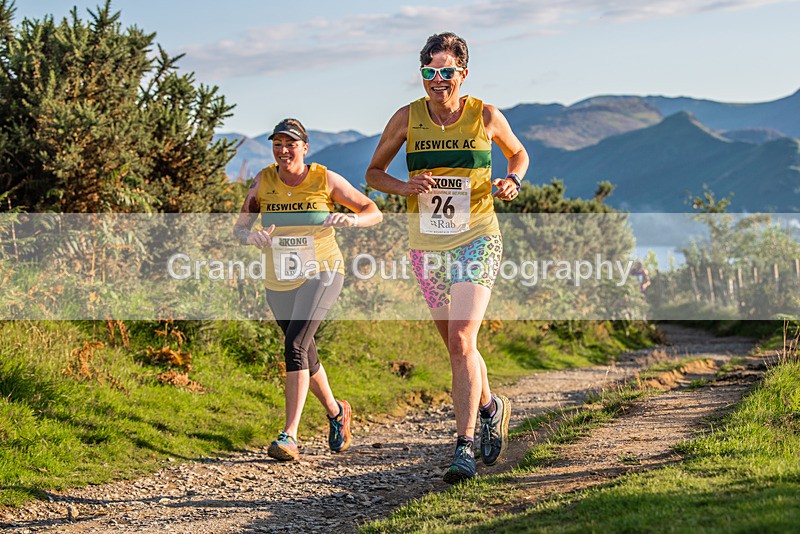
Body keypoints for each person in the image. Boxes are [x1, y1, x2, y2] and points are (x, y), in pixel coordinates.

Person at [365, 32, 529, 483]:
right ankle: (492, 406)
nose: (438, 80)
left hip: (478, 237)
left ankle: (463, 448)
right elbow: (374, 173)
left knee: (461, 340)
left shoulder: (485, 115)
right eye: (429, 72)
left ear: (463, 74)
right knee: (458, 346)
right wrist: (406, 186)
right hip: (427, 244)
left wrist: (513, 180)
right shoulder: (407, 118)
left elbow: (518, 154)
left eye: (446, 72)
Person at [234, 118, 382, 461]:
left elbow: (372, 211)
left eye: (290, 144)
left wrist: (352, 219)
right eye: (277, 144)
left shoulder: (324, 179)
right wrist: (252, 236)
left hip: (323, 271)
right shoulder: (263, 181)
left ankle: (290, 435)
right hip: (279, 279)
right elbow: (240, 228)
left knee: (295, 345)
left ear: (305, 147)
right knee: (305, 351)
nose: (283, 150)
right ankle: (336, 411)